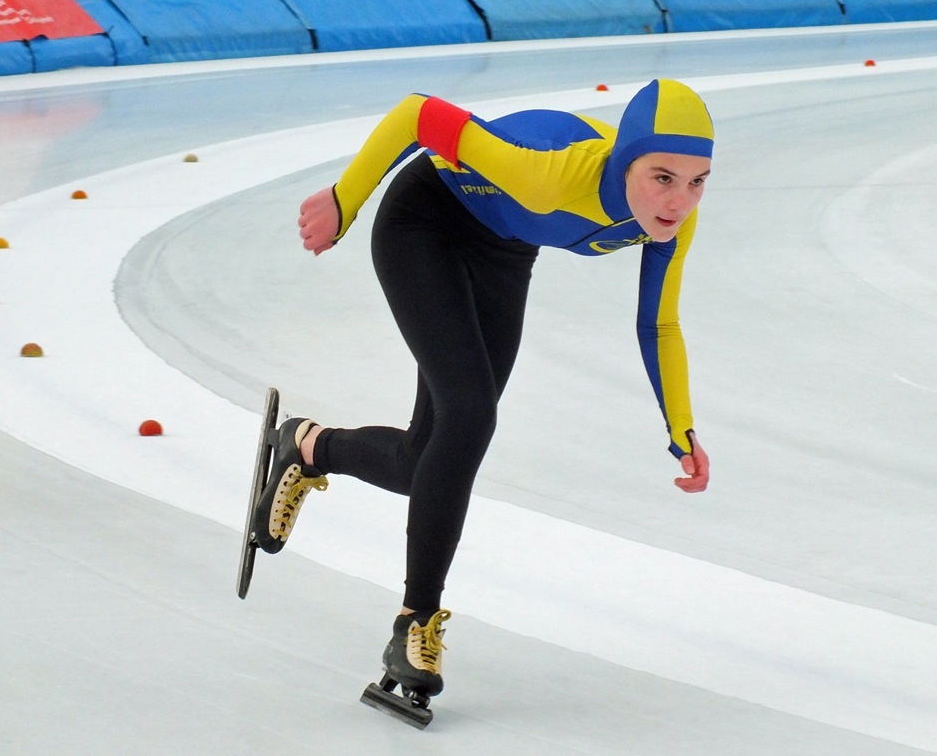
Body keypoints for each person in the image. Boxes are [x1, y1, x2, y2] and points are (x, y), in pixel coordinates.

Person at [252, 78, 713, 702]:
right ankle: (415, 623)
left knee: (427, 461)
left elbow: (657, 323)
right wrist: (344, 199)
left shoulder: (672, 221)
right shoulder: (550, 175)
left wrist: (681, 427)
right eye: (662, 177)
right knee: (469, 416)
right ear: (626, 161)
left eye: (697, 181)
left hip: (506, 252)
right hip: (425, 222)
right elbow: (419, 115)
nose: (680, 200)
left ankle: (307, 447)